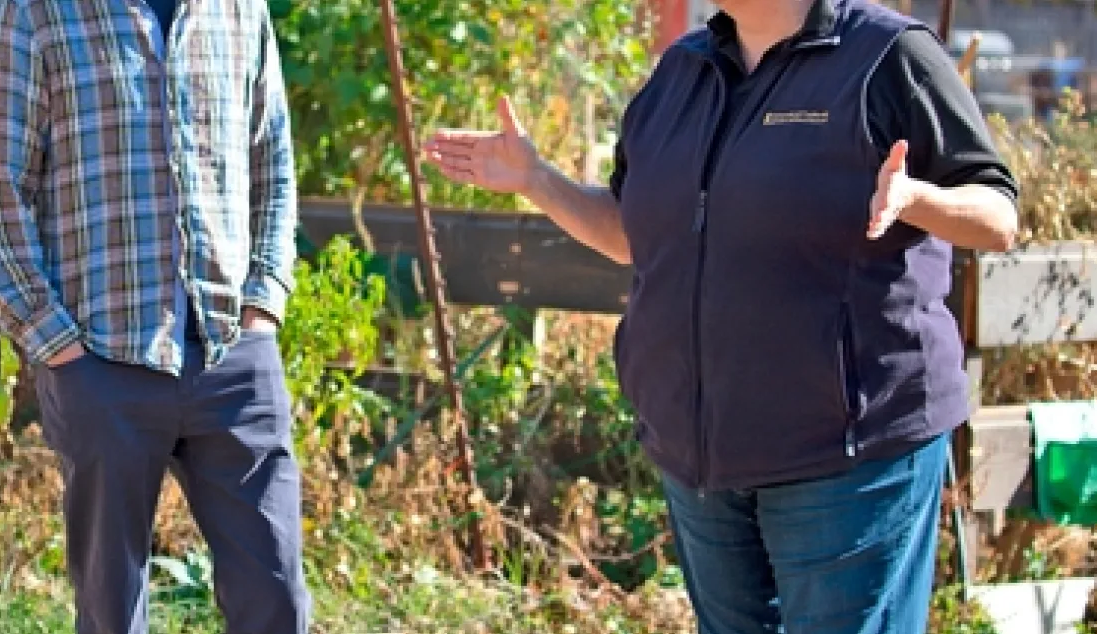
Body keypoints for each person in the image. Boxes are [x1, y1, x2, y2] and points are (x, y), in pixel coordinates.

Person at [424, 0, 1018, 631]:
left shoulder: (886, 56)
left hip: (848, 456)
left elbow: (999, 216)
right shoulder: (679, 73)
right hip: (701, 458)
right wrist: (537, 180)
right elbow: (631, 234)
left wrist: (916, 198)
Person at [0, 0, 310, 632]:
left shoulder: (238, 9)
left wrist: (263, 307)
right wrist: (58, 347)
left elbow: (273, 167)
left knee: (277, 599)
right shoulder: (37, 13)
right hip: (102, 361)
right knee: (112, 612)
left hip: (234, 354)